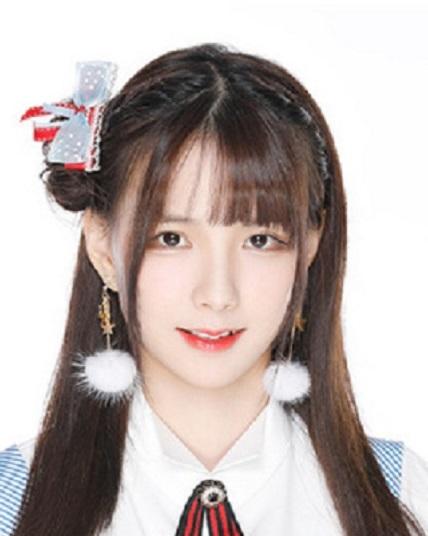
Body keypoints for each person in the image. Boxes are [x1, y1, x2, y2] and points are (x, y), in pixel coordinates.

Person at [1, 43, 427, 536]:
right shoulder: (15, 498)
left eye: (259, 240)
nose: (218, 294)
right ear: (102, 246)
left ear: (309, 247)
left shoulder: (400, 494)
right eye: (172, 238)